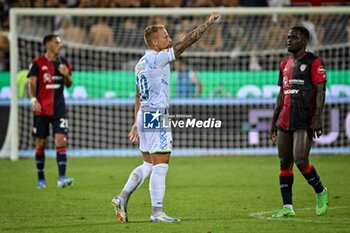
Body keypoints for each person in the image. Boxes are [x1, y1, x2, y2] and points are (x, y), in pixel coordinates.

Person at [111, 12, 220, 223]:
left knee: (149, 164)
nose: (169, 38)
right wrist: (207, 24)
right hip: (156, 115)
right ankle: (157, 212)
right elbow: (185, 43)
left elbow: (137, 94)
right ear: (154, 42)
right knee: (161, 164)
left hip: (144, 114)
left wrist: (136, 121)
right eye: (164, 36)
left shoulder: (140, 63)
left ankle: (122, 197)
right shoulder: (157, 58)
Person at [269, 26, 328, 218]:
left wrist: (318, 117)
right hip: (284, 118)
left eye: (293, 37)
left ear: (303, 41)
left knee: (301, 160)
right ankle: (287, 207)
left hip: (304, 118)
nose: (289, 40)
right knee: (285, 162)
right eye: (288, 37)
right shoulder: (284, 63)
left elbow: (320, 90)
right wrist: (273, 121)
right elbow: (281, 93)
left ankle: (320, 191)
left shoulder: (314, 61)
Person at [27, 34, 74, 189]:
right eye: (56, 43)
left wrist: (65, 75)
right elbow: (32, 84)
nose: (59, 45)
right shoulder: (37, 63)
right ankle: (41, 179)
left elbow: (69, 84)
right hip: (41, 109)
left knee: (61, 140)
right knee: (41, 143)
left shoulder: (63, 62)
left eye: (60, 43)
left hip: (59, 109)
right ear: (48, 45)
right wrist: (33, 100)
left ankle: (62, 178)